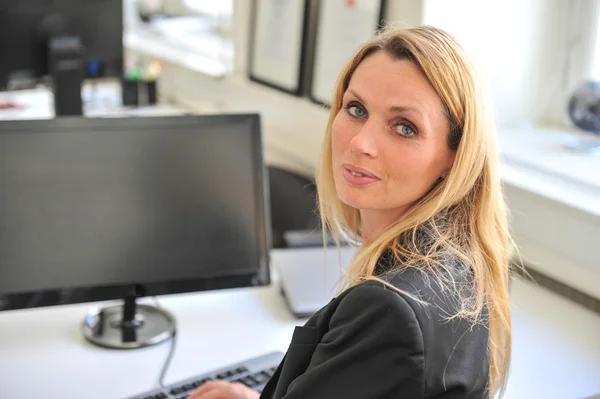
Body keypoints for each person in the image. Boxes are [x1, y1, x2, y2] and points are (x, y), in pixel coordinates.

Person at [188, 25, 512, 399]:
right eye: (356, 109)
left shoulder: (389, 309)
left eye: (404, 128)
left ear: (455, 157)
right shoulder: (463, 262)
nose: (360, 143)